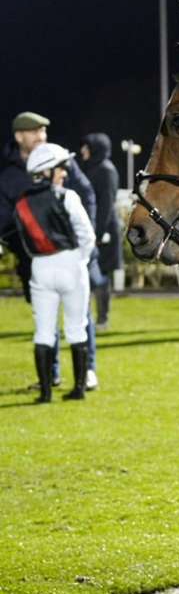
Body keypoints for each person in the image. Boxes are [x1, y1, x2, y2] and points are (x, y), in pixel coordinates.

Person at [1, 111, 96, 389]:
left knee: (80, 317)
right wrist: (28, 244)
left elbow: (86, 196)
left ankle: (87, 371)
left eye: (43, 131)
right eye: (35, 132)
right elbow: (5, 221)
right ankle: (51, 374)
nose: (41, 137)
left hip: (73, 254)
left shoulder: (60, 159)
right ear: (19, 136)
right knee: (45, 321)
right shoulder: (8, 176)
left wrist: (81, 247)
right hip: (35, 260)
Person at [79, 133, 123, 332]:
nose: (82, 151)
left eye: (86, 147)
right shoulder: (93, 168)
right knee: (89, 275)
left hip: (103, 232)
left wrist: (97, 235)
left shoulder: (106, 170)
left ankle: (102, 320)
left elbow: (105, 205)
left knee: (101, 276)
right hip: (94, 231)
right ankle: (86, 318)